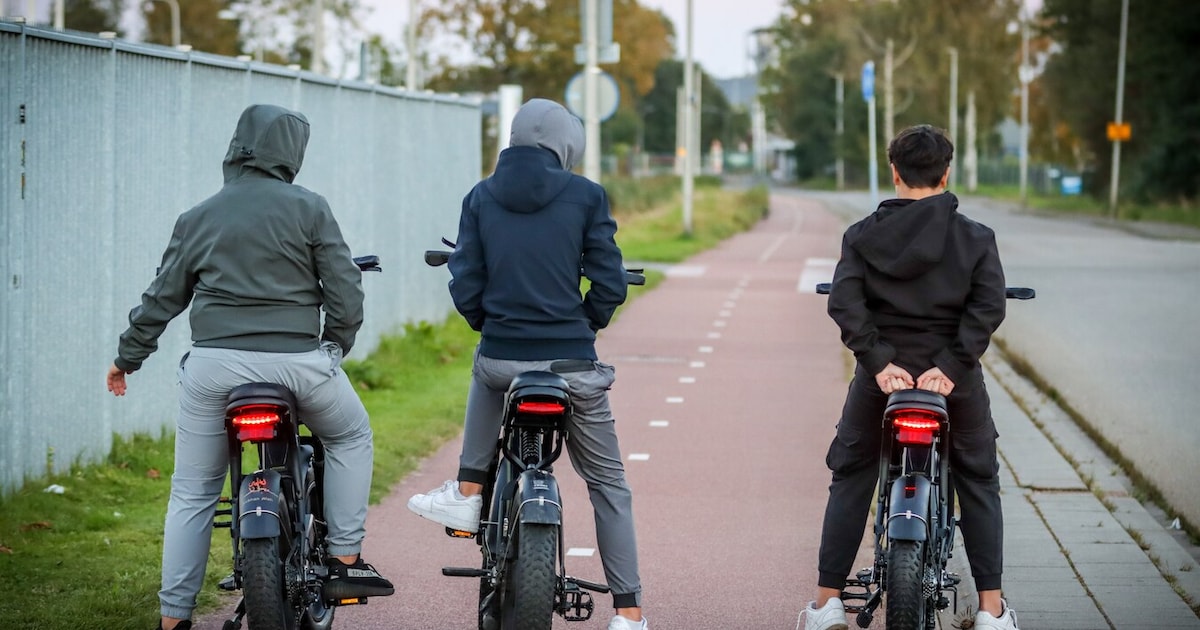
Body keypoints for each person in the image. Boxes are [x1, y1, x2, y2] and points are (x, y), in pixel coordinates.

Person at [105, 104, 394, 630]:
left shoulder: (197, 216)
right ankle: (345, 562)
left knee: (193, 491)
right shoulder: (310, 208)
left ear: (237, 147)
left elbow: (161, 299)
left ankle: (174, 619)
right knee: (351, 435)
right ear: (291, 153)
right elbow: (345, 293)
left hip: (214, 369)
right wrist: (335, 346)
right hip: (300, 364)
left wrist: (127, 358)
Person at [405, 98, 646, 630]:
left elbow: (466, 279)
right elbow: (608, 282)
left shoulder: (481, 196)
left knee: (486, 370)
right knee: (609, 485)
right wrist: (585, 325)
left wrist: (488, 326)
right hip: (570, 365)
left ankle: (468, 492)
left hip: (501, 358)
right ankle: (628, 614)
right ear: (567, 146)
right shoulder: (587, 196)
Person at [801, 125, 1018, 630]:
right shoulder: (977, 238)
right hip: (952, 385)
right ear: (946, 174)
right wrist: (951, 366)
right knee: (979, 478)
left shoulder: (860, 236)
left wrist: (878, 362)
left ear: (894, 172)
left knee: (852, 474)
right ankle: (990, 610)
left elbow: (845, 302)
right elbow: (987, 308)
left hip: (884, 383)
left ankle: (827, 602)